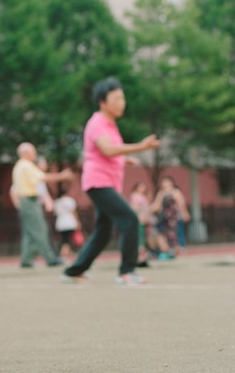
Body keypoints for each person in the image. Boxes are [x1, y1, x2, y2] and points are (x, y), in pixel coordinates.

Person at [61, 77, 161, 285]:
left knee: (103, 232)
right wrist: (141, 147)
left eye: (122, 98)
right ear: (102, 102)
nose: (121, 103)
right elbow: (107, 149)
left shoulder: (110, 125)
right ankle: (127, 271)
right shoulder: (98, 122)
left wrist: (124, 160)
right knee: (130, 219)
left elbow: (106, 153)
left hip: (107, 182)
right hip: (98, 183)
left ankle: (73, 271)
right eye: (116, 99)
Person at [11, 142, 72, 268]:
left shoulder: (18, 166)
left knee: (29, 232)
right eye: (33, 152)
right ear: (26, 153)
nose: (35, 155)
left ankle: (26, 259)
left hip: (25, 201)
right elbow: (42, 177)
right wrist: (62, 176)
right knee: (40, 230)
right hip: (29, 200)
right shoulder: (26, 165)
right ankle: (50, 258)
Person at [150, 176, 189, 260]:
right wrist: (148, 210)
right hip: (163, 217)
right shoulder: (161, 193)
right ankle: (168, 251)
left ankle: (176, 251)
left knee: (173, 235)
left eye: (166, 182)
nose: (165, 184)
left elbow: (181, 204)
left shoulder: (175, 192)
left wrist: (185, 214)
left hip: (173, 218)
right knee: (163, 234)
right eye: (163, 182)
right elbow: (156, 205)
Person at [52, 186, 80, 264]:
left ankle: (68, 254)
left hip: (60, 223)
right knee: (66, 240)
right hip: (69, 222)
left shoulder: (57, 202)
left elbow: (55, 213)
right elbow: (73, 212)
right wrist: (77, 221)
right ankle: (64, 255)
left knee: (64, 239)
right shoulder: (69, 200)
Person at [128, 182, 152, 267]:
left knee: (142, 239)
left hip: (144, 221)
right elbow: (134, 208)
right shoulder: (135, 197)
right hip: (139, 221)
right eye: (141, 187)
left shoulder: (143, 197)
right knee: (140, 240)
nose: (143, 188)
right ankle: (140, 258)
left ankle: (142, 257)